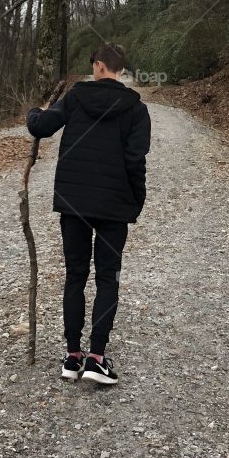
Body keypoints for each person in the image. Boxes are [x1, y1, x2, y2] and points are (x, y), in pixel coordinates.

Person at [26, 43, 151, 386]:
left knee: (75, 275)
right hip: (114, 205)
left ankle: (72, 355)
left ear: (97, 66)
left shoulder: (76, 98)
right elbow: (135, 161)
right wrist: (135, 202)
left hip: (74, 203)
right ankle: (97, 357)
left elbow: (41, 127)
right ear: (121, 71)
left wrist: (34, 112)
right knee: (107, 277)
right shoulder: (136, 110)